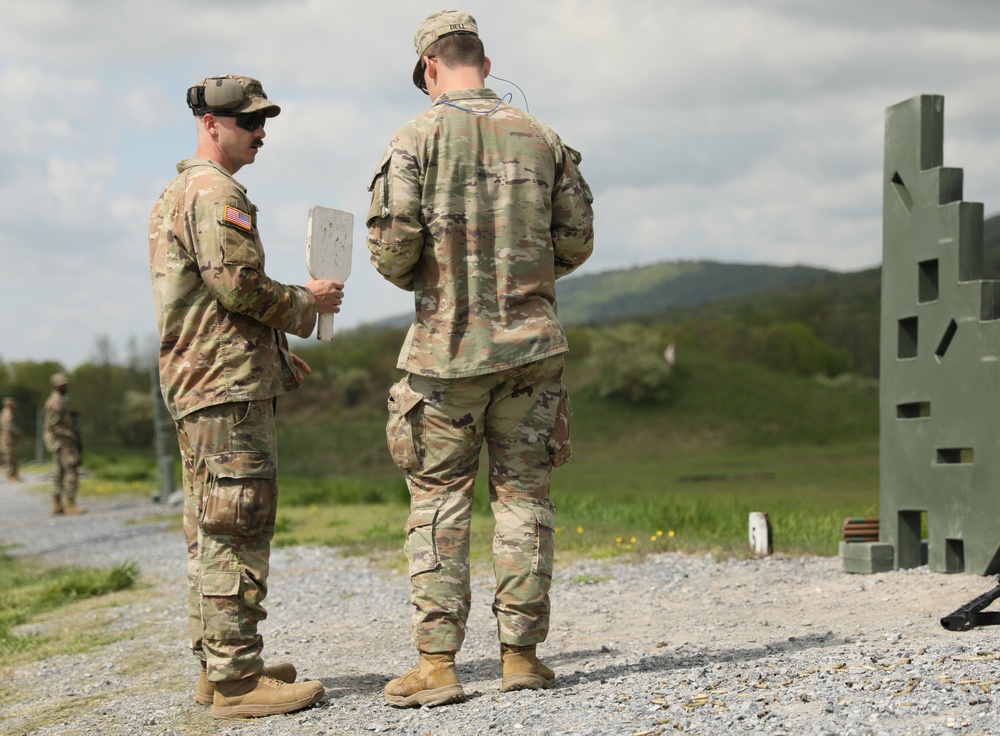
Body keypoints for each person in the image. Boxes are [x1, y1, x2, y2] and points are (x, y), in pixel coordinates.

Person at [366, 11, 595, 707]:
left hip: (445, 355)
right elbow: (576, 240)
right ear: (485, 64)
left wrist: (436, 282)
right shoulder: (542, 137)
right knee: (524, 497)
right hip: (531, 350)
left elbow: (391, 250)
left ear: (430, 68)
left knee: (440, 503)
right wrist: (525, 273)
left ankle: (438, 666)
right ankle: (522, 656)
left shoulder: (414, 139)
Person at [148, 74, 344, 720]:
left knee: (210, 528)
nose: (262, 133)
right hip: (224, 392)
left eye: (265, 121)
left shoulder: (180, 192)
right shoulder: (215, 194)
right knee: (238, 525)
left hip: (206, 386)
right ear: (211, 124)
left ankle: (219, 668)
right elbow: (238, 287)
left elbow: (212, 305)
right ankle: (237, 682)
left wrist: (276, 355)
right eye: (249, 122)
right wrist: (307, 304)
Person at [43, 373, 85, 514]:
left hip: (61, 442)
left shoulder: (61, 400)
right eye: (62, 385)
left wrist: (72, 415)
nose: (65, 387)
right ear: (56, 386)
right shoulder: (56, 402)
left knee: (59, 472)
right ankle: (70, 504)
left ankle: (57, 505)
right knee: (71, 469)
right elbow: (53, 425)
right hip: (63, 442)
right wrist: (69, 433)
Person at [1, 397, 24, 482]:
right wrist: (18, 432)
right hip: (9, 439)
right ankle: (11, 475)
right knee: (10, 456)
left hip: (7, 438)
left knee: (11, 456)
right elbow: (9, 426)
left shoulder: (4, 412)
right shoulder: (8, 413)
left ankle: (13, 474)